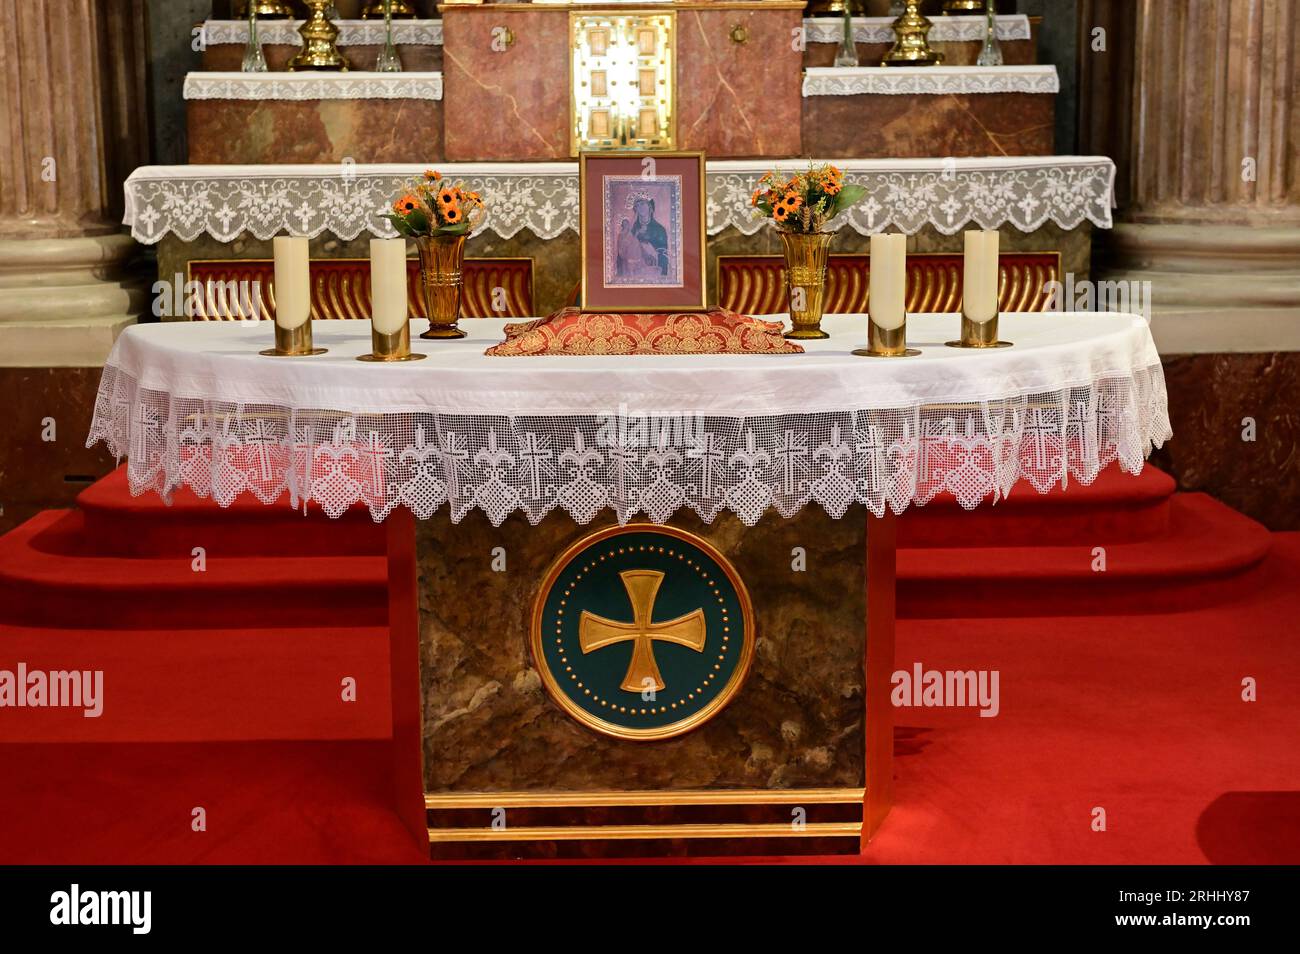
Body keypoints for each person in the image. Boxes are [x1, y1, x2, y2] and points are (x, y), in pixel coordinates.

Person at [615, 196, 669, 279]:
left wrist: (662, 276)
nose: (640, 207)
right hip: (632, 271)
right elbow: (622, 253)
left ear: (649, 207)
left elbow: (663, 255)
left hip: (653, 273)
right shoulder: (632, 230)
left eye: (643, 204)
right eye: (637, 205)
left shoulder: (659, 229)